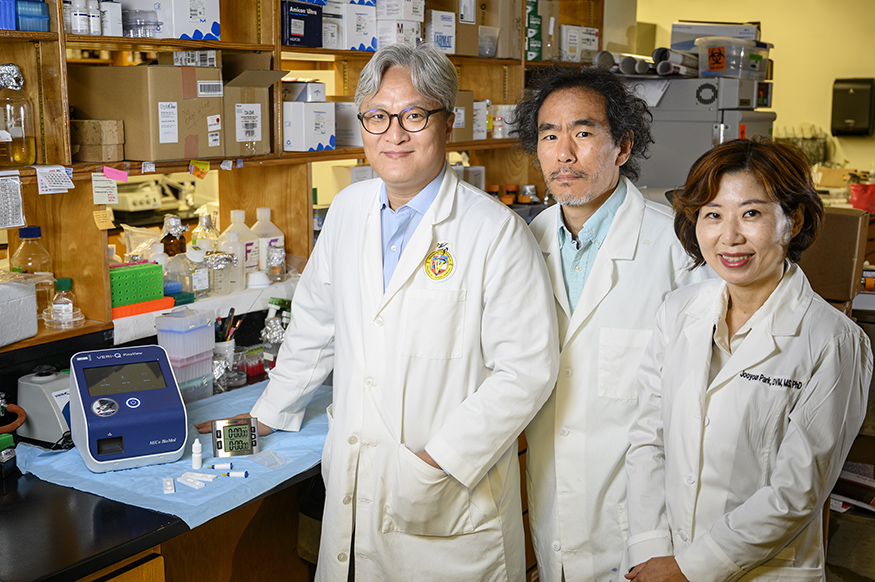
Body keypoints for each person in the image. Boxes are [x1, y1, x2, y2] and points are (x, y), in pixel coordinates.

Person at [197, 43, 560, 582]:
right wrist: (269, 412)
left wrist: (437, 460)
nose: (394, 134)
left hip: (444, 497)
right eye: (377, 116)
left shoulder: (494, 233)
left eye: (414, 115)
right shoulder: (349, 209)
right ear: (361, 124)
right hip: (356, 482)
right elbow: (317, 322)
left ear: (447, 121)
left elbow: (527, 371)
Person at [624, 137, 873, 582]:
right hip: (661, 561)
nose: (730, 236)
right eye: (713, 215)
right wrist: (652, 550)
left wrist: (690, 569)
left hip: (764, 570)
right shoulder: (677, 311)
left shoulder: (833, 341)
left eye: (752, 213)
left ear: (793, 220)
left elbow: (797, 493)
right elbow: (648, 439)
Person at [511, 65, 706, 582]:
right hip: (555, 506)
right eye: (548, 135)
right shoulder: (527, 242)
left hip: (651, 522)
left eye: (583, 132)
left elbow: (709, 402)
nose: (564, 153)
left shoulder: (678, 248)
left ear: (622, 146)